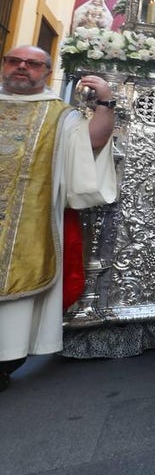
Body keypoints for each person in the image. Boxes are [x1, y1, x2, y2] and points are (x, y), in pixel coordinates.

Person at [0, 46, 118, 391]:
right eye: (14, 61)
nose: (23, 68)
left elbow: (93, 141)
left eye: (33, 64)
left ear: (46, 72)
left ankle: (5, 360)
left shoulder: (58, 116)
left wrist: (106, 101)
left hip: (26, 221)